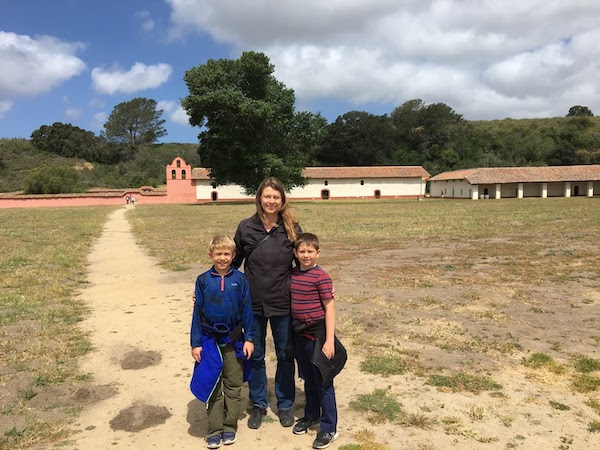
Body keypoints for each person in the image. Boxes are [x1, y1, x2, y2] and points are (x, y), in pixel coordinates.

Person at [232, 176, 301, 429]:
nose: (271, 201)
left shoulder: (291, 227)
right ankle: (259, 404)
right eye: (267, 196)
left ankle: (285, 404)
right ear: (259, 198)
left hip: (283, 302)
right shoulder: (246, 227)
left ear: (282, 200)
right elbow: (233, 263)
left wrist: (321, 285)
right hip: (254, 304)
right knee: (256, 354)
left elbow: (303, 263)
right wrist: (210, 286)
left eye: (276, 197)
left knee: (285, 354)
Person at [190, 235, 255, 449]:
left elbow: (247, 311)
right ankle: (214, 429)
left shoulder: (241, 280)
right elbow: (197, 313)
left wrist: (250, 339)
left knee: (233, 384)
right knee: (213, 385)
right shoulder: (203, 280)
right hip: (210, 341)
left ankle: (229, 426)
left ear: (234, 255)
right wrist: (196, 343)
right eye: (218, 254)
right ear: (210, 255)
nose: (222, 258)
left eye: (227, 254)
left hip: (233, 340)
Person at [290, 233, 340, 449]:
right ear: (295, 253)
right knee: (308, 379)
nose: (306, 255)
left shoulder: (321, 277)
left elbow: (330, 308)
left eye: (310, 251)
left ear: (318, 253)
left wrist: (329, 341)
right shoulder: (292, 274)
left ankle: (329, 428)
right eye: (302, 251)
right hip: (299, 336)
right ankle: (312, 415)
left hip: (318, 336)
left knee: (323, 381)